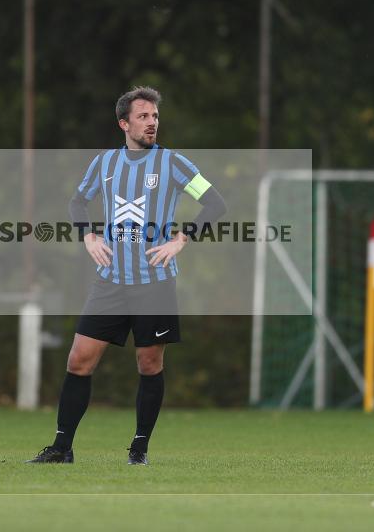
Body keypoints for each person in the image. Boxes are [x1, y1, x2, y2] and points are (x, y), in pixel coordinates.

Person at [27, 86, 226, 465]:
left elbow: (216, 203)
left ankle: (139, 450)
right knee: (78, 360)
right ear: (124, 123)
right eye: (143, 116)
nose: (152, 123)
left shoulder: (174, 163)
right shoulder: (105, 164)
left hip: (156, 283)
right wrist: (87, 235)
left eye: (154, 116)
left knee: (149, 364)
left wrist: (181, 240)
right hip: (111, 281)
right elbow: (77, 200)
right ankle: (61, 448)